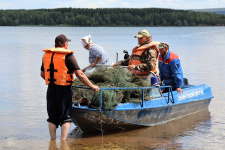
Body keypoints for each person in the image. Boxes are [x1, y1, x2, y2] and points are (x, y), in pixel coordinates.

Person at [40, 34, 100, 140]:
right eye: (67, 42)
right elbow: (80, 74)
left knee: (52, 117)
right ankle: (63, 142)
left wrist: (53, 80)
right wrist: (92, 86)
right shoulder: (68, 56)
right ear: (64, 44)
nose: (68, 44)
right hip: (64, 90)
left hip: (51, 89)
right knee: (66, 117)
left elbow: (42, 74)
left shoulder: (46, 55)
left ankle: (52, 141)